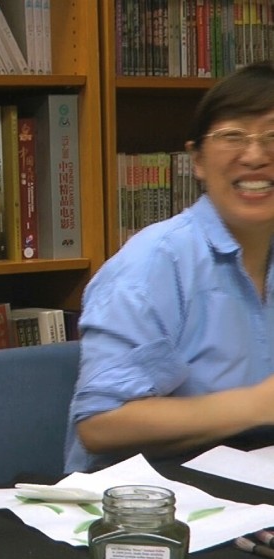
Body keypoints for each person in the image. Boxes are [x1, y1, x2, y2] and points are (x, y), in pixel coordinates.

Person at [64, 61, 274, 473]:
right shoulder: (155, 264)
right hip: (151, 503)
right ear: (196, 160)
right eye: (233, 136)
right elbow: (100, 424)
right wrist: (255, 405)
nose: (255, 155)